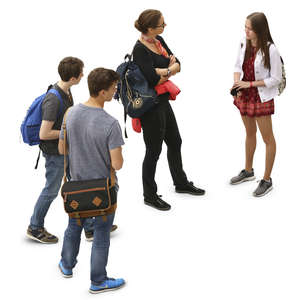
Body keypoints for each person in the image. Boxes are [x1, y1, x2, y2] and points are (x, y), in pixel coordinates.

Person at [58, 68, 125, 293]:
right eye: (114, 88)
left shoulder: (70, 113)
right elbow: (117, 165)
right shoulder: (111, 124)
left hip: (76, 188)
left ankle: (66, 265)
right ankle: (98, 281)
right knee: (101, 235)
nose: (116, 91)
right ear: (103, 91)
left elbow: (61, 148)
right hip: (103, 191)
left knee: (73, 227)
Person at [132, 9, 205, 211]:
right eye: (161, 24)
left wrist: (164, 70)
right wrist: (166, 69)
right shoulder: (139, 49)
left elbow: (178, 64)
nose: (165, 27)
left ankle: (180, 183)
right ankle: (149, 195)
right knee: (153, 150)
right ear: (149, 28)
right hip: (150, 106)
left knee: (175, 141)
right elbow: (152, 78)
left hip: (163, 100)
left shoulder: (159, 41)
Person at [26, 56, 94, 243]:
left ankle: (89, 227)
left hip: (65, 150)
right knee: (51, 190)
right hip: (55, 154)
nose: (82, 75)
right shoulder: (54, 99)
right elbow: (44, 133)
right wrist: (69, 129)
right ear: (72, 78)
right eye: (80, 72)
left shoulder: (67, 91)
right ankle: (35, 227)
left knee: (79, 185)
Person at [230, 12, 282, 197]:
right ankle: (248, 171)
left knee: (268, 138)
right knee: (249, 133)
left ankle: (267, 180)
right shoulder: (244, 42)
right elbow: (237, 66)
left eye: (249, 28)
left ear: (259, 30)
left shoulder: (271, 49)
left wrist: (249, 84)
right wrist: (238, 83)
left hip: (261, 96)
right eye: (245, 26)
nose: (246, 31)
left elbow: (275, 79)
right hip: (244, 94)